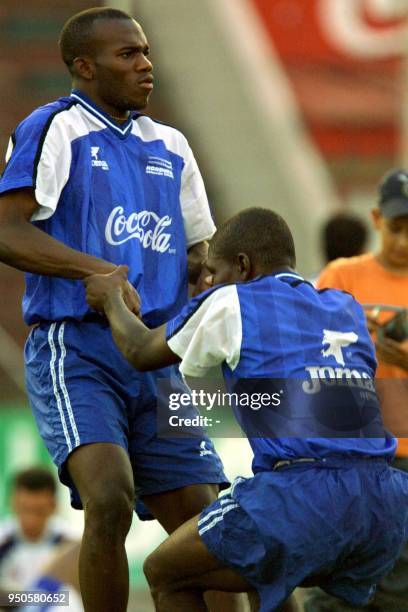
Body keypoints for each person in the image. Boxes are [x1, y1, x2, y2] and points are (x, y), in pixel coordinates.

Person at [0, 8, 236, 612]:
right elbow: (6, 230)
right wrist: (95, 272)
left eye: (146, 51)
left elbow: (194, 246)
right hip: (76, 346)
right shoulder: (55, 127)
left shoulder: (171, 145)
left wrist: (209, 275)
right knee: (109, 497)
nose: (145, 64)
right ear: (85, 66)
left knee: (208, 528)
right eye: (127, 55)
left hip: (158, 356)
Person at [84, 207, 408, 612]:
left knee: (164, 571)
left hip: (306, 494)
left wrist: (111, 298)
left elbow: (139, 350)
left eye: (214, 272)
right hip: (385, 501)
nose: (208, 282)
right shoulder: (345, 306)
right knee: (266, 570)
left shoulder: (231, 301)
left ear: (242, 266)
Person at [307, 169, 408, 611]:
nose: (404, 241)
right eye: (398, 227)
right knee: (332, 589)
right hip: (346, 455)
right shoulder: (341, 276)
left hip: (404, 459)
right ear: (377, 218)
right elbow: (305, 352)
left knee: (396, 592)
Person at [0, 468, 76, 596]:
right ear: (13, 503)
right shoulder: (2, 539)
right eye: (25, 509)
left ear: (54, 506)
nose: (31, 520)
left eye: (39, 511)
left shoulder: (71, 543)